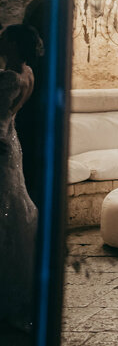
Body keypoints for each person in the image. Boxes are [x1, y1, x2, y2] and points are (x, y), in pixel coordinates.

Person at [0, 24, 43, 332]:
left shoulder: (9, 78)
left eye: (5, 40)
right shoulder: (27, 73)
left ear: (14, 44)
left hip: (1, 142)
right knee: (14, 203)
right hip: (12, 141)